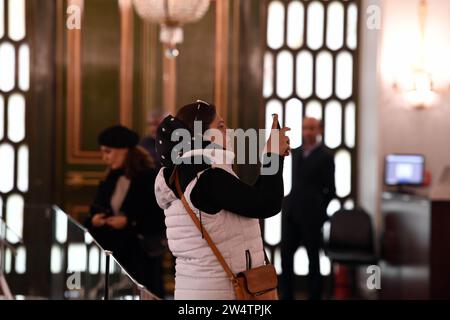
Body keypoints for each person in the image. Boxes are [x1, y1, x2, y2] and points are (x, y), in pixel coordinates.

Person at [154, 100, 291, 300]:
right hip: (221, 293)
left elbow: (250, 201)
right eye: (220, 126)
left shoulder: (184, 173)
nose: (228, 131)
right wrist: (273, 157)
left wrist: (271, 157)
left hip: (195, 289)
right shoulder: (208, 176)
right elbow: (267, 203)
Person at [84, 125, 166, 297]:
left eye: (108, 152)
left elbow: (158, 217)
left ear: (124, 151)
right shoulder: (110, 176)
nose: (104, 158)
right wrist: (95, 220)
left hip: (141, 256)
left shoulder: (148, 176)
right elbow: (95, 209)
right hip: (114, 253)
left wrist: (129, 221)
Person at [280, 117, 336, 300]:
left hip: (312, 216)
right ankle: (287, 296)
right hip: (291, 213)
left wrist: (319, 208)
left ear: (319, 130)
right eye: (305, 128)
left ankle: (314, 297)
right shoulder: (295, 153)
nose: (308, 132)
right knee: (286, 259)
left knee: (313, 260)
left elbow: (331, 190)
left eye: (312, 128)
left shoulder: (326, 156)